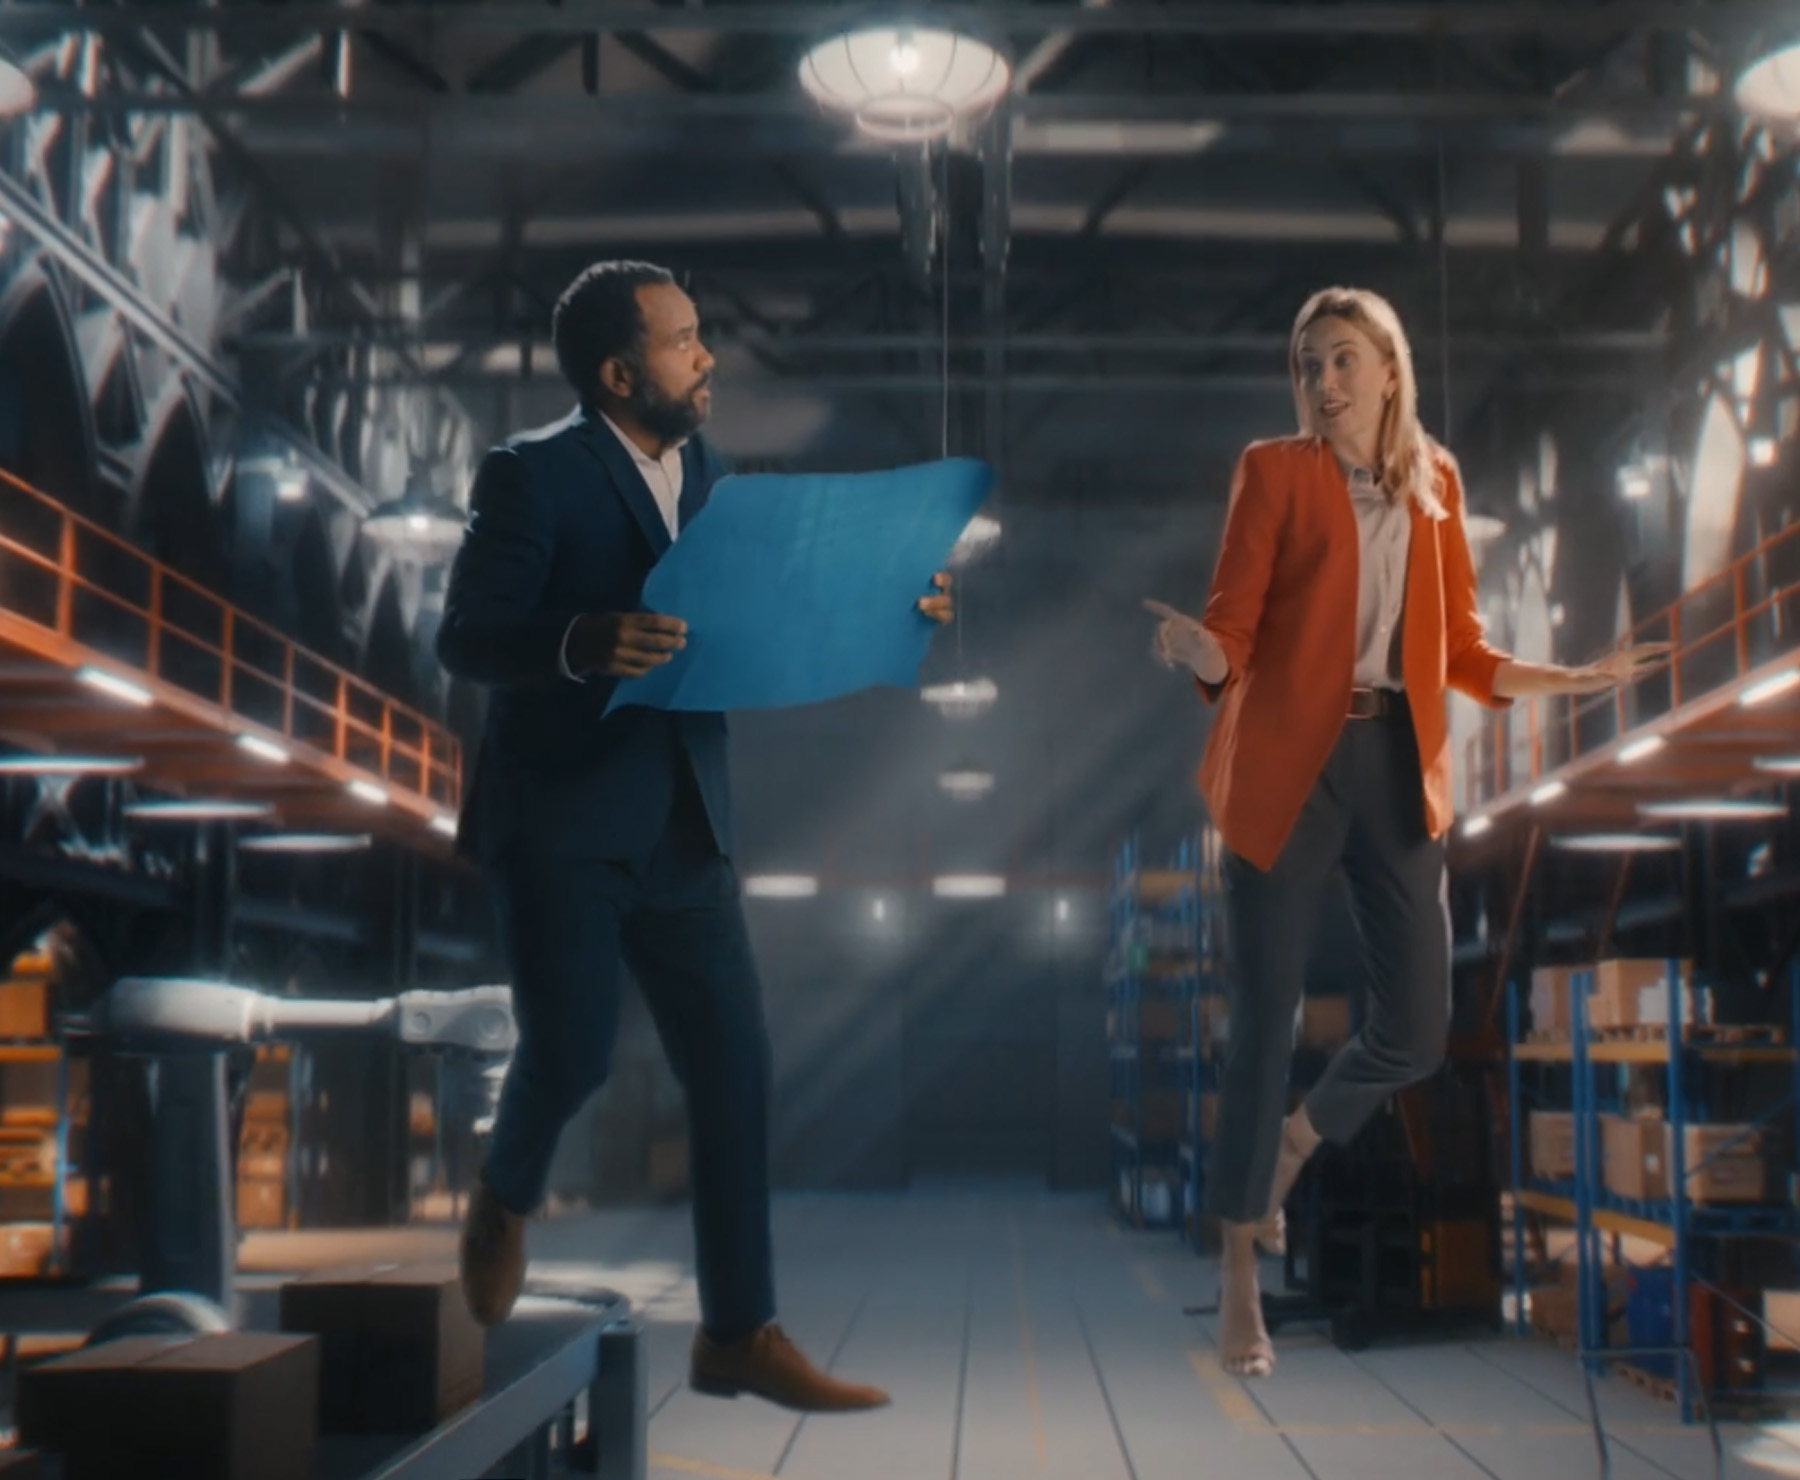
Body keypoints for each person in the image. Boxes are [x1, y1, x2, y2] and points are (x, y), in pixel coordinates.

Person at [437, 259, 954, 1411]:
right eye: (681, 342)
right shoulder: (532, 477)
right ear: (620, 373)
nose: (707, 355)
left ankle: (736, 1333)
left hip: (685, 824)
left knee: (734, 1072)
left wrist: (891, 602)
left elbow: (779, 596)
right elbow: (467, 634)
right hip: (564, 819)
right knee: (570, 1052)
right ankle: (506, 1191)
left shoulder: (712, 478)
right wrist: (579, 641)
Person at [1145, 286, 1663, 1378]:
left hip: (1394, 764)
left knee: (1419, 1027)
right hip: (1291, 760)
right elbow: (1233, 628)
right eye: (1306, 364)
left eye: (1342, 360)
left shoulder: (1437, 488)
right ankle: (1240, 1272)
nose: (1322, 382)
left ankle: (1292, 1145)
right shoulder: (1273, 470)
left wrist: (1574, 675)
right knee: (1264, 1023)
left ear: (1389, 370)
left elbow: (1465, 649)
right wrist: (1202, 655)